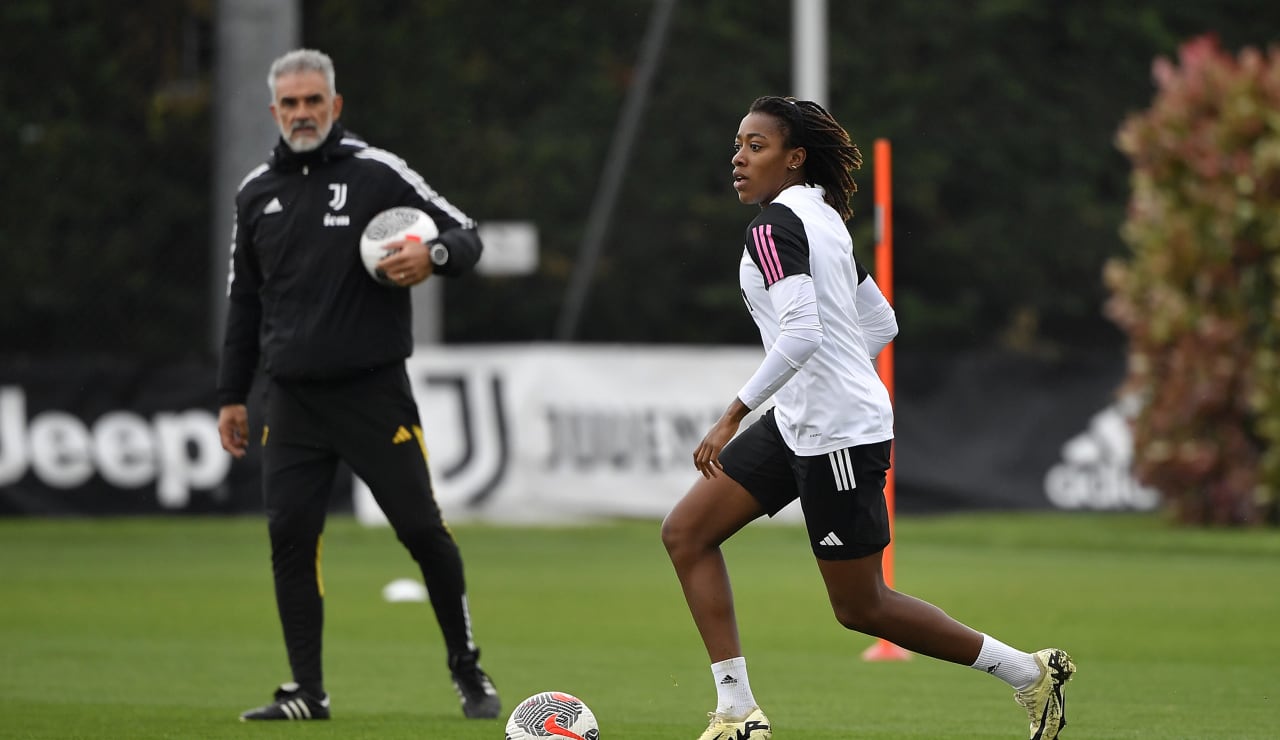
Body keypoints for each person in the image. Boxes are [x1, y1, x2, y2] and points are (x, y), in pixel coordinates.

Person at [660, 96, 1076, 740]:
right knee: (687, 533)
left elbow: (800, 335)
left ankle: (1028, 673)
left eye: (756, 146)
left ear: (794, 158)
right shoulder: (822, 219)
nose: (738, 159)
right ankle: (738, 712)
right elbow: (881, 323)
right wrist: (838, 377)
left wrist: (732, 416)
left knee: (861, 608)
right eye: (738, 145)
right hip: (805, 419)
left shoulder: (775, 226)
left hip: (838, 435)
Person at [216, 48, 500, 722]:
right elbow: (244, 303)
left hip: (373, 394)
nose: (303, 113)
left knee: (423, 532)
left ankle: (467, 668)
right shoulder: (256, 192)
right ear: (274, 112)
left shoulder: (377, 173)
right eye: (291, 104)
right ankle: (307, 693)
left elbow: (466, 235)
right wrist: (232, 394)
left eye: (315, 101)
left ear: (335, 106)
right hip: (291, 400)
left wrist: (430, 255)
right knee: (290, 537)